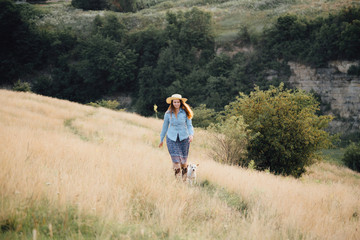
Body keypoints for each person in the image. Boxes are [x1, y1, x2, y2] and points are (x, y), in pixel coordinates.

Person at [159, 94, 194, 181]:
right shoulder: (167, 114)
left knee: (183, 162)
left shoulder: (185, 112)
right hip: (171, 138)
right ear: (172, 103)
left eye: (178, 102)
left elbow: (189, 125)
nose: (176, 104)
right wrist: (161, 139)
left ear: (180, 103)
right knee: (176, 161)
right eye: (174, 102)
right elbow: (165, 127)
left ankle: (184, 180)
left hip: (184, 139)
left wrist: (191, 134)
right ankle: (177, 181)